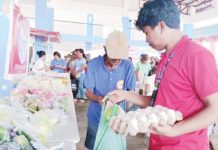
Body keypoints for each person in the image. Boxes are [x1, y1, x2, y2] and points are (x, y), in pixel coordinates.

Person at [108, 0, 218, 149]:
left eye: (147, 33)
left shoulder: (197, 55)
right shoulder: (165, 58)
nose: (146, 39)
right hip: (159, 142)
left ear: (161, 26)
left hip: (185, 145)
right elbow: (159, 102)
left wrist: (174, 131)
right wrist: (125, 95)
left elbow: (215, 109)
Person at [84, 31, 136, 149]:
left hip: (118, 118)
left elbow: (131, 92)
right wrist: (99, 98)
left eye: (120, 57)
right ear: (105, 49)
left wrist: (125, 102)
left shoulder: (128, 66)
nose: (117, 59)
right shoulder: (93, 65)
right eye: (114, 55)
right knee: (93, 146)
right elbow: (88, 92)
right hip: (96, 116)